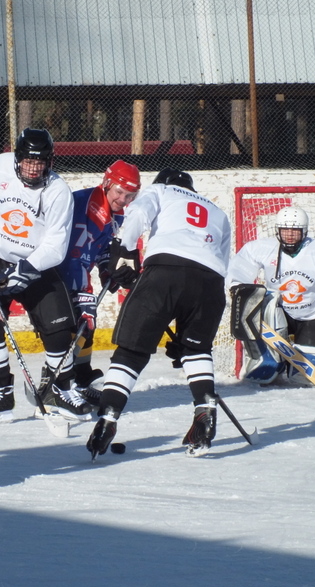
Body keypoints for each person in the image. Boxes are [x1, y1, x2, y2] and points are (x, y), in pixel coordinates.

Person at [0, 128, 92, 423]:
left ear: (49, 162)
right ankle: (1, 395)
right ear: (17, 158)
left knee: (59, 329)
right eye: (28, 162)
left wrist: (26, 270)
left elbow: (56, 246)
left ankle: (60, 391)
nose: (34, 168)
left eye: (40, 163)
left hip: (37, 265)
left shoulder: (58, 192)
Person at [86, 168, 232, 458]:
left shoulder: (161, 190)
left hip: (164, 271)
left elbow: (138, 213)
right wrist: (187, 335)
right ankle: (205, 410)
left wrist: (124, 249)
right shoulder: (218, 212)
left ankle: (108, 418)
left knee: (131, 350)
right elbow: (222, 263)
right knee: (197, 350)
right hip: (211, 283)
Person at [226, 205, 315, 384]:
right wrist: (237, 286)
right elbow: (241, 265)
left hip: (314, 314)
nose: (289, 234)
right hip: (278, 313)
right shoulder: (262, 248)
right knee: (265, 307)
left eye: (295, 230)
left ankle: (294, 364)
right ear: (277, 230)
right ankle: (270, 361)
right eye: (285, 229)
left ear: (304, 231)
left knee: (303, 376)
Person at [56, 159, 141, 404]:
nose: (123, 200)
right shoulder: (86, 204)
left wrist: (107, 269)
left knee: (87, 327)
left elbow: (99, 247)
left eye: (130, 196)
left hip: (77, 270)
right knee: (71, 326)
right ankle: (60, 383)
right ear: (106, 183)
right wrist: (82, 292)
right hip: (59, 274)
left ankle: (81, 379)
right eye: (120, 192)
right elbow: (73, 255)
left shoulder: (115, 212)